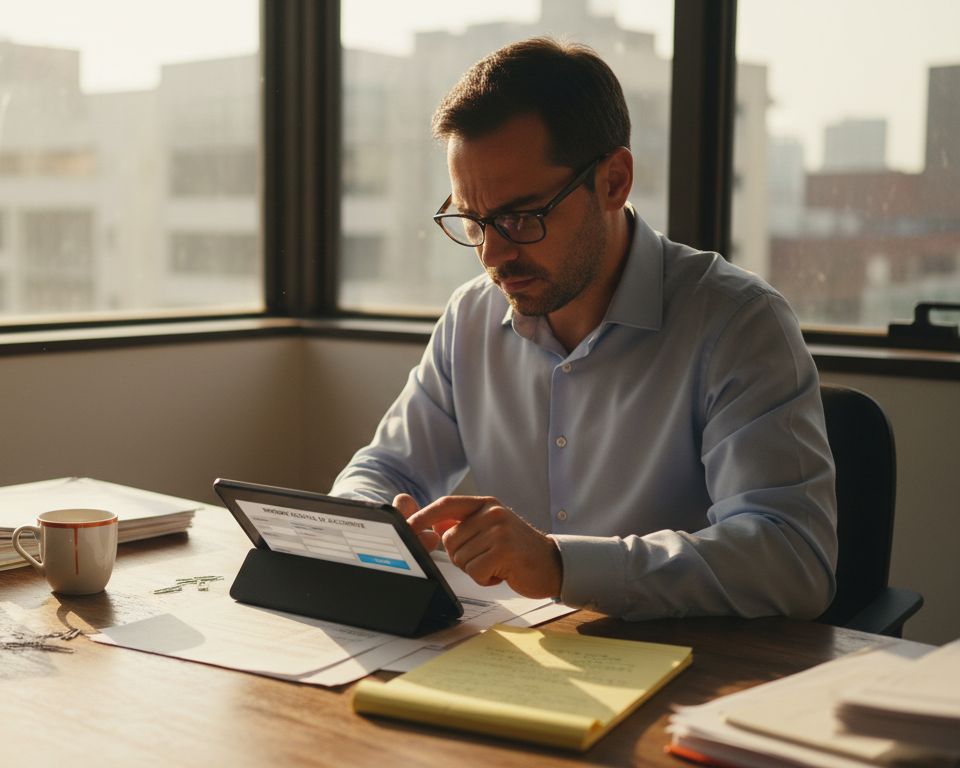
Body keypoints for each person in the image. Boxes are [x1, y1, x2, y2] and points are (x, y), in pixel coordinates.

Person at [329, 37, 837, 621]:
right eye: (474, 221)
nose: (492, 254)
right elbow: (383, 470)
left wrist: (561, 565)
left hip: (695, 677)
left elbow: (792, 559)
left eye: (522, 217)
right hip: (517, 663)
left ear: (614, 181)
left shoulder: (737, 323)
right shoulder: (470, 318)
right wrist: (373, 531)